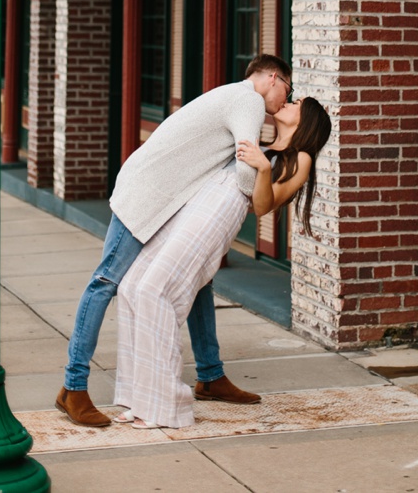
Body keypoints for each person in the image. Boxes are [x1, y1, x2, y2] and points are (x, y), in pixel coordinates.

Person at [54, 55, 292, 427]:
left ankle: (211, 376)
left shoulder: (230, 95)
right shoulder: (248, 99)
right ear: (273, 79)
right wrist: (258, 176)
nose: (285, 101)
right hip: (146, 197)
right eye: (288, 91)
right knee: (105, 282)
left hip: (164, 198)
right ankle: (73, 387)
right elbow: (247, 176)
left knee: (199, 282)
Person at [111, 96, 332, 428]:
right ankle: (139, 397)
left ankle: (166, 403)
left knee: (157, 290)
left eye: (297, 102)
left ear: (308, 119)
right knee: (132, 287)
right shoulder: (264, 141)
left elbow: (263, 206)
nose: (289, 100)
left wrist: (260, 167)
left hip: (217, 216)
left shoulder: (300, 159)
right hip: (191, 207)